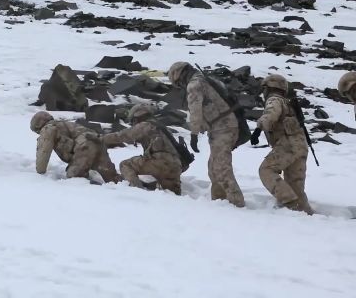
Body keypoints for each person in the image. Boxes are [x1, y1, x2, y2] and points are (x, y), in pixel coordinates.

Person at [167, 62, 245, 207]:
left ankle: (237, 204)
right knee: (213, 169)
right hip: (223, 127)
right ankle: (220, 202)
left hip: (224, 128)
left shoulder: (194, 85)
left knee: (221, 168)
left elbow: (195, 112)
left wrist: (194, 134)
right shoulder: (203, 78)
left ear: (178, 75)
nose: (180, 86)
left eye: (178, 83)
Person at [251, 74, 313, 214]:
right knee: (295, 186)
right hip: (301, 146)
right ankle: (305, 214)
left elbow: (271, 115)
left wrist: (258, 129)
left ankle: (291, 203)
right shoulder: (288, 103)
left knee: (266, 170)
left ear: (269, 88)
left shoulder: (274, 99)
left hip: (289, 145)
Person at [101, 104, 184, 195]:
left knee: (125, 165)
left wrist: (100, 139)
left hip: (159, 162)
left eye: (133, 120)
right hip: (176, 166)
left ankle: (138, 192)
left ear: (137, 116)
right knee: (172, 196)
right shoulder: (162, 127)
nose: (133, 123)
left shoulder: (146, 125)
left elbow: (121, 136)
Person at [30, 111, 120, 184]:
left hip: (85, 148)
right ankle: (126, 187)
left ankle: (96, 193)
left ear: (38, 125)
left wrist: (40, 172)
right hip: (98, 143)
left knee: (75, 178)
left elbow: (44, 151)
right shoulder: (65, 124)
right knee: (112, 178)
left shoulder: (48, 129)